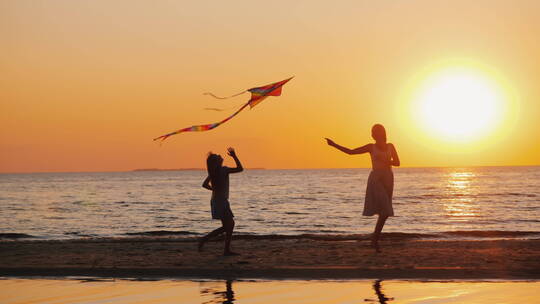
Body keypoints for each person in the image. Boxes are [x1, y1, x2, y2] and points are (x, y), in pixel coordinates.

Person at [325, 124, 400, 252]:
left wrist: (387, 162)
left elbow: (397, 163)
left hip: (388, 178)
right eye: (373, 132)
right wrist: (334, 145)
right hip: (376, 179)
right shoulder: (371, 147)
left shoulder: (390, 146)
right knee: (386, 209)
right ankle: (374, 241)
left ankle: (374, 240)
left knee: (385, 213)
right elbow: (351, 152)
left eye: (376, 132)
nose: (374, 134)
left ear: (381, 133)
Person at [198, 147, 243, 256]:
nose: (220, 156)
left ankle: (207, 240)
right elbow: (240, 169)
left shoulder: (214, 173)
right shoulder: (223, 170)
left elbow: (204, 185)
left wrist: (213, 189)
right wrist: (234, 156)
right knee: (229, 225)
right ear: (217, 162)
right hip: (221, 202)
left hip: (217, 201)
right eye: (218, 156)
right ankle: (210, 241)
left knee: (228, 226)